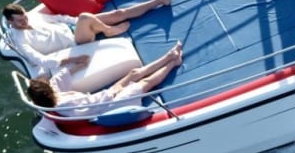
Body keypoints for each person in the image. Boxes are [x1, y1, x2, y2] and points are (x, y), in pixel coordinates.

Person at [3, 0, 177, 73]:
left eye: (25, 16)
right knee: (86, 17)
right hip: (75, 42)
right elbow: (40, 60)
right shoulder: (21, 39)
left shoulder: (33, 17)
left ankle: (161, 0)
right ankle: (108, 31)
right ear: (11, 22)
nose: (25, 20)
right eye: (20, 20)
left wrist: (76, 22)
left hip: (74, 28)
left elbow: (59, 19)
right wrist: (73, 58)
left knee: (118, 13)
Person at [27, 41, 183, 113]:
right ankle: (173, 62)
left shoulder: (54, 94)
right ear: (47, 93)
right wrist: (114, 91)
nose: (47, 81)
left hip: (105, 98)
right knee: (144, 83)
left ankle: (168, 56)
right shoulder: (65, 104)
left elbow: (58, 79)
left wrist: (77, 64)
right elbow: (92, 104)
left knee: (133, 74)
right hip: (109, 105)